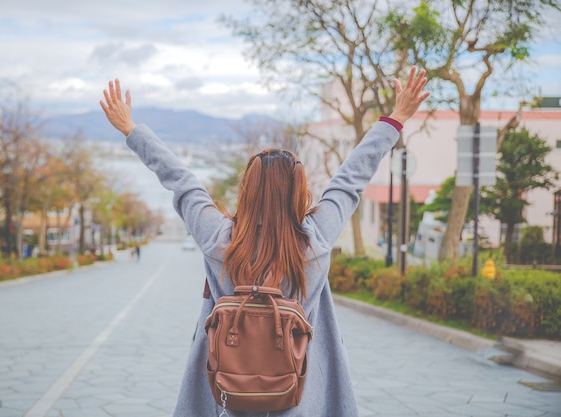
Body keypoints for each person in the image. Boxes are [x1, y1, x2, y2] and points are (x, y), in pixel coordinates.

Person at [100, 67, 430, 417]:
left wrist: (130, 129)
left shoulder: (219, 239)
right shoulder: (313, 241)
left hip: (229, 395)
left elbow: (181, 180)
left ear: (247, 190)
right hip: (300, 397)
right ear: (298, 192)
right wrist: (396, 118)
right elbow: (351, 179)